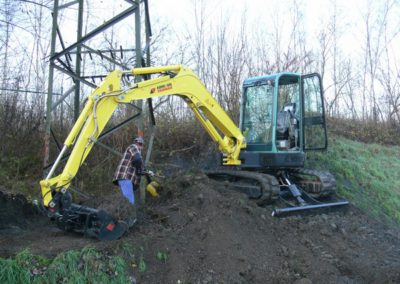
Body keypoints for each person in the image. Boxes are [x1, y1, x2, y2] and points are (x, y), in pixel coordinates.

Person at [113, 137, 144, 227]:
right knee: (129, 199)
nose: (140, 146)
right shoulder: (133, 147)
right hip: (125, 176)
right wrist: (139, 170)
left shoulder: (137, 153)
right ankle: (129, 221)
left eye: (140, 144)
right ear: (137, 143)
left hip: (126, 178)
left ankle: (121, 219)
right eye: (139, 143)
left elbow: (139, 165)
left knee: (126, 199)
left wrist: (143, 171)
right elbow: (138, 161)